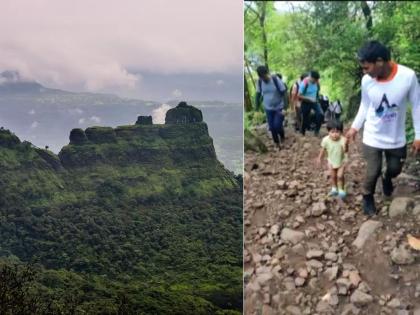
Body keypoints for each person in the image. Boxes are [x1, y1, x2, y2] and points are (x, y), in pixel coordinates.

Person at [346, 40, 420, 215]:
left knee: (395, 169)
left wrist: (418, 135)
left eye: (367, 68)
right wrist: (354, 127)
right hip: (372, 135)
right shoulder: (367, 81)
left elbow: (417, 105)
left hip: (396, 137)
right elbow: (365, 105)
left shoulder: (407, 76)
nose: (364, 72)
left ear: (379, 61)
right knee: (373, 171)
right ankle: (367, 197)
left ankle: (388, 178)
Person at [255, 65, 287, 149]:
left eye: (264, 76)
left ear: (267, 73)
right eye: (261, 77)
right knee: (272, 127)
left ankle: (282, 136)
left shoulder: (275, 79)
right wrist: (256, 109)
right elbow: (257, 95)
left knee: (277, 125)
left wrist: (285, 108)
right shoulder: (259, 82)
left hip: (279, 107)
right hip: (268, 108)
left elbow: (284, 93)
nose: (263, 79)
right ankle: (276, 143)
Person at [317, 119, 348, 198]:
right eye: (332, 132)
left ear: (341, 132)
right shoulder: (325, 140)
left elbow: (346, 151)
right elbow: (323, 149)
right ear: (328, 132)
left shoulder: (343, 140)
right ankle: (334, 188)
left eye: (337, 132)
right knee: (333, 175)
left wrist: (346, 145)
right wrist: (319, 158)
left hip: (341, 161)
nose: (334, 134)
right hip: (331, 161)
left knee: (340, 176)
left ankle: (341, 189)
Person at [298, 70, 324, 136]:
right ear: (310, 77)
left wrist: (316, 98)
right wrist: (309, 99)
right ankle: (303, 133)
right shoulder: (304, 83)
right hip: (305, 102)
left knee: (321, 114)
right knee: (305, 118)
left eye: (316, 80)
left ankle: (316, 131)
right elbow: (299, 95)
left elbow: (318, 89)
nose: (315, 81)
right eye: (314, 80)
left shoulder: (317, 82)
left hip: (315, 101)